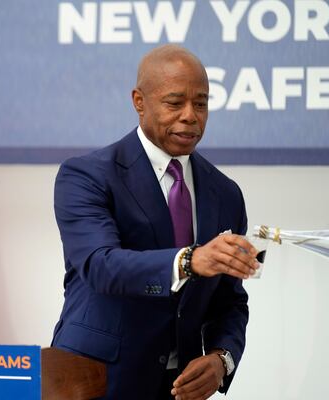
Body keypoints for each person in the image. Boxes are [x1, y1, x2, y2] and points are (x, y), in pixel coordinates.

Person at [51, 45, 259, 399]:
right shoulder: (87, 175)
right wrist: (190, 260)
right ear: (139, 101)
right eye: (175, 103)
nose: (191, 116)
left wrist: (221, 359)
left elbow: (230, 301)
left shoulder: (225, 193)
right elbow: (101, 266)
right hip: (93, 380)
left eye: (202, 103)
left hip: (178, 388)